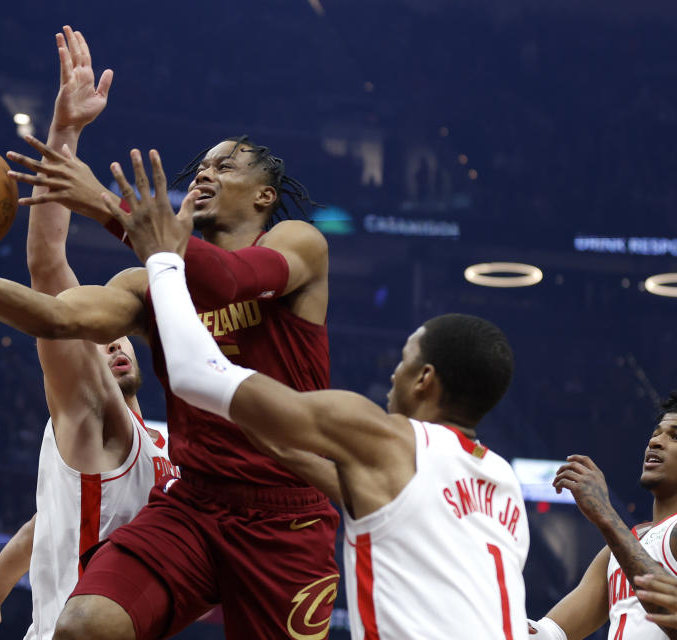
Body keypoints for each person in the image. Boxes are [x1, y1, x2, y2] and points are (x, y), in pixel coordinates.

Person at [0, 127, 341, 636]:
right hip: (195, 504)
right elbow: (53, 318)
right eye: (201, 169)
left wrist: (103, 204)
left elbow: (230, 280)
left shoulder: (299, 243)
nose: (206, 173)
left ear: (265, 195)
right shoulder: (149, 286)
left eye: (226, 166)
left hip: (285, 520)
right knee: (83, 626)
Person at [99, 155, 530, 639]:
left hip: (284, 529)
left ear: (424, 378)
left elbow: (198, 374)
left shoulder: (380, 438)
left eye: (404, 359)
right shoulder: (502, 484)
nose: (392, 373)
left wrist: (158, 253)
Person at [0, 28, 174, 640]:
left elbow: (48, 520)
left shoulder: (166, 443)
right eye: (96, 337)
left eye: (120, 334)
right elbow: (48, 265)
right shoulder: (93, 416)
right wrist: (65, 132)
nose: (111, 342)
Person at [527, 391, 677, 640]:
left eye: (675, 436)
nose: (656, 442)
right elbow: (551, 633)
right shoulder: (620, 548)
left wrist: (605, 513)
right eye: (655, 434)